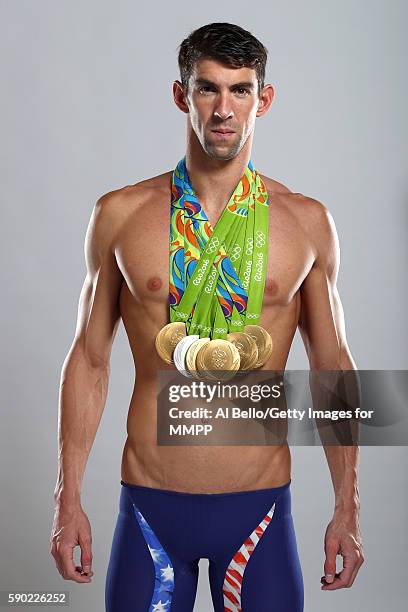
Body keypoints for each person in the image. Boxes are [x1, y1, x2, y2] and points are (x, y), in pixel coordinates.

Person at [50, 22, 364, 611]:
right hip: (149, 506)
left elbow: (331, 368)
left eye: (241, 90)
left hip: (260, 508)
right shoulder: (120, 215)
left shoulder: (306, 222)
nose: (225, 109)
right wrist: (67, 500)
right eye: (208, 89)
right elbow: (89, 360)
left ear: (263, 100)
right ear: (181, 95)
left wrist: (348, 507)